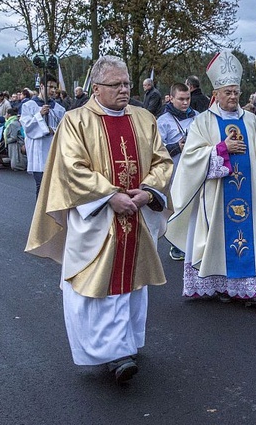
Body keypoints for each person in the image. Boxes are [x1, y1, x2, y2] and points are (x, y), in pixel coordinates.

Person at [25, 56, 173, 384]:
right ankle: (110, 352)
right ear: (96, 88)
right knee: (100, 286)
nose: (124, 90)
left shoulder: (144, 119)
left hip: (135, 216)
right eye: (116, 85)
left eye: (126, 84)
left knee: (130, 283)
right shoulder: (76, 122)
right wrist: (110, 196)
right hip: (96, 221)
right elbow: (70, 168)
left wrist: (148, 192)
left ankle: (126, 343)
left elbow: (162, 161)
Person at [166, 50, 256, 307]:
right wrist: (221, 149)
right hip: (215, 196)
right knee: (217, 238)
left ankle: (248, 289)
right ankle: (218, 285)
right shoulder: (203, 122)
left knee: (248, 237)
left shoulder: (250, 119)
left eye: (236, 92)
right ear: (216, 94)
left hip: (248, 195)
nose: (233, 97)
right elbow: (191, 157)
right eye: (228, 92)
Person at [157, 82, 197, 261]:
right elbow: (156, 149)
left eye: (187, 98)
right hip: (174, 171)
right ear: (171, 98)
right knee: (177, 207)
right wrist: (176, 146)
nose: (185, 102)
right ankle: (176, 243)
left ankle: (194, 242)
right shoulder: (162, 121)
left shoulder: (197, 117)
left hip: (195, 170)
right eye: (181, 99)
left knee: (194, 206)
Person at [20, 75, 66, 197]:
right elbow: (28, 128)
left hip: (53, 150)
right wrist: (39, 115)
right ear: (41, 86)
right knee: (41, 188)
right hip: (38, 152)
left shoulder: (59, 108)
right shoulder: (29, 106)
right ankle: (40, 215)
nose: (53, 90)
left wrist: (52, 130)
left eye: (55, 88)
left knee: (55, 188)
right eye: (50, 87)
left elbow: (64, 129)